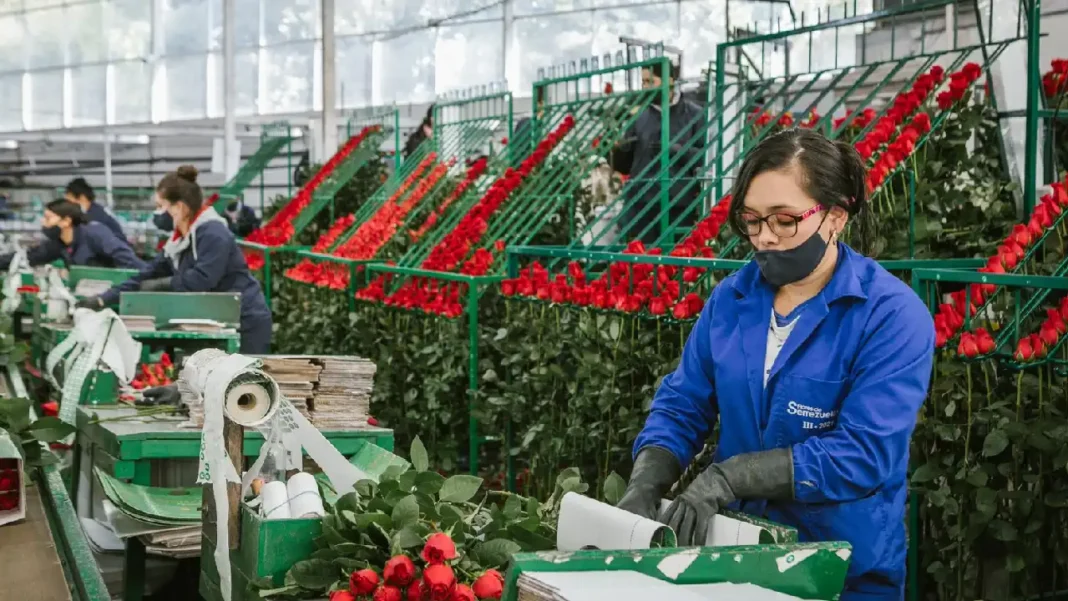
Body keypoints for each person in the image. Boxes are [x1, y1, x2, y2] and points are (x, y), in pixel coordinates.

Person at [616, 129, 935, 601]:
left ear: (835, 218)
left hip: (838, 569)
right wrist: (646, 481)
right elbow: (683, 403)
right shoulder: (733, 299)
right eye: (752, 220)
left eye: (785, 220)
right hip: (732, 555)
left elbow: (863, 453)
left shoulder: (889, 316)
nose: (764, 237)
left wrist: (732, 476)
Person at [76, 166, 273, 354]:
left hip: (245, 322)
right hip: (215, 321)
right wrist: (103, 299)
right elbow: (148, 273)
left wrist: (162, 284)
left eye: (160, 206)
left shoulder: (213, 233)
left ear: (179, 207)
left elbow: (202, 279)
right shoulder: (179, 241)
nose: (157, 214)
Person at [609, 61, 705, 245]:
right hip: (640, 205)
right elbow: (625, 167)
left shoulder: (694, 115)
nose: (645, 87)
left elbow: (706, 157)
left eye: (650, 81)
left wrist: (674, 149)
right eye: (643, 82)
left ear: (669, 80)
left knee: (675, 266)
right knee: (639, 265)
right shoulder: (638, 117)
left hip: (678, 205)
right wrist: (617, 152)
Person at [0, 199, 145, 271]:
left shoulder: (95, 233)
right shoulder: (59, 244)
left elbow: (126, 258)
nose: (44, 223)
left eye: (48, 218)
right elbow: (27, 257)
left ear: (66, 221)